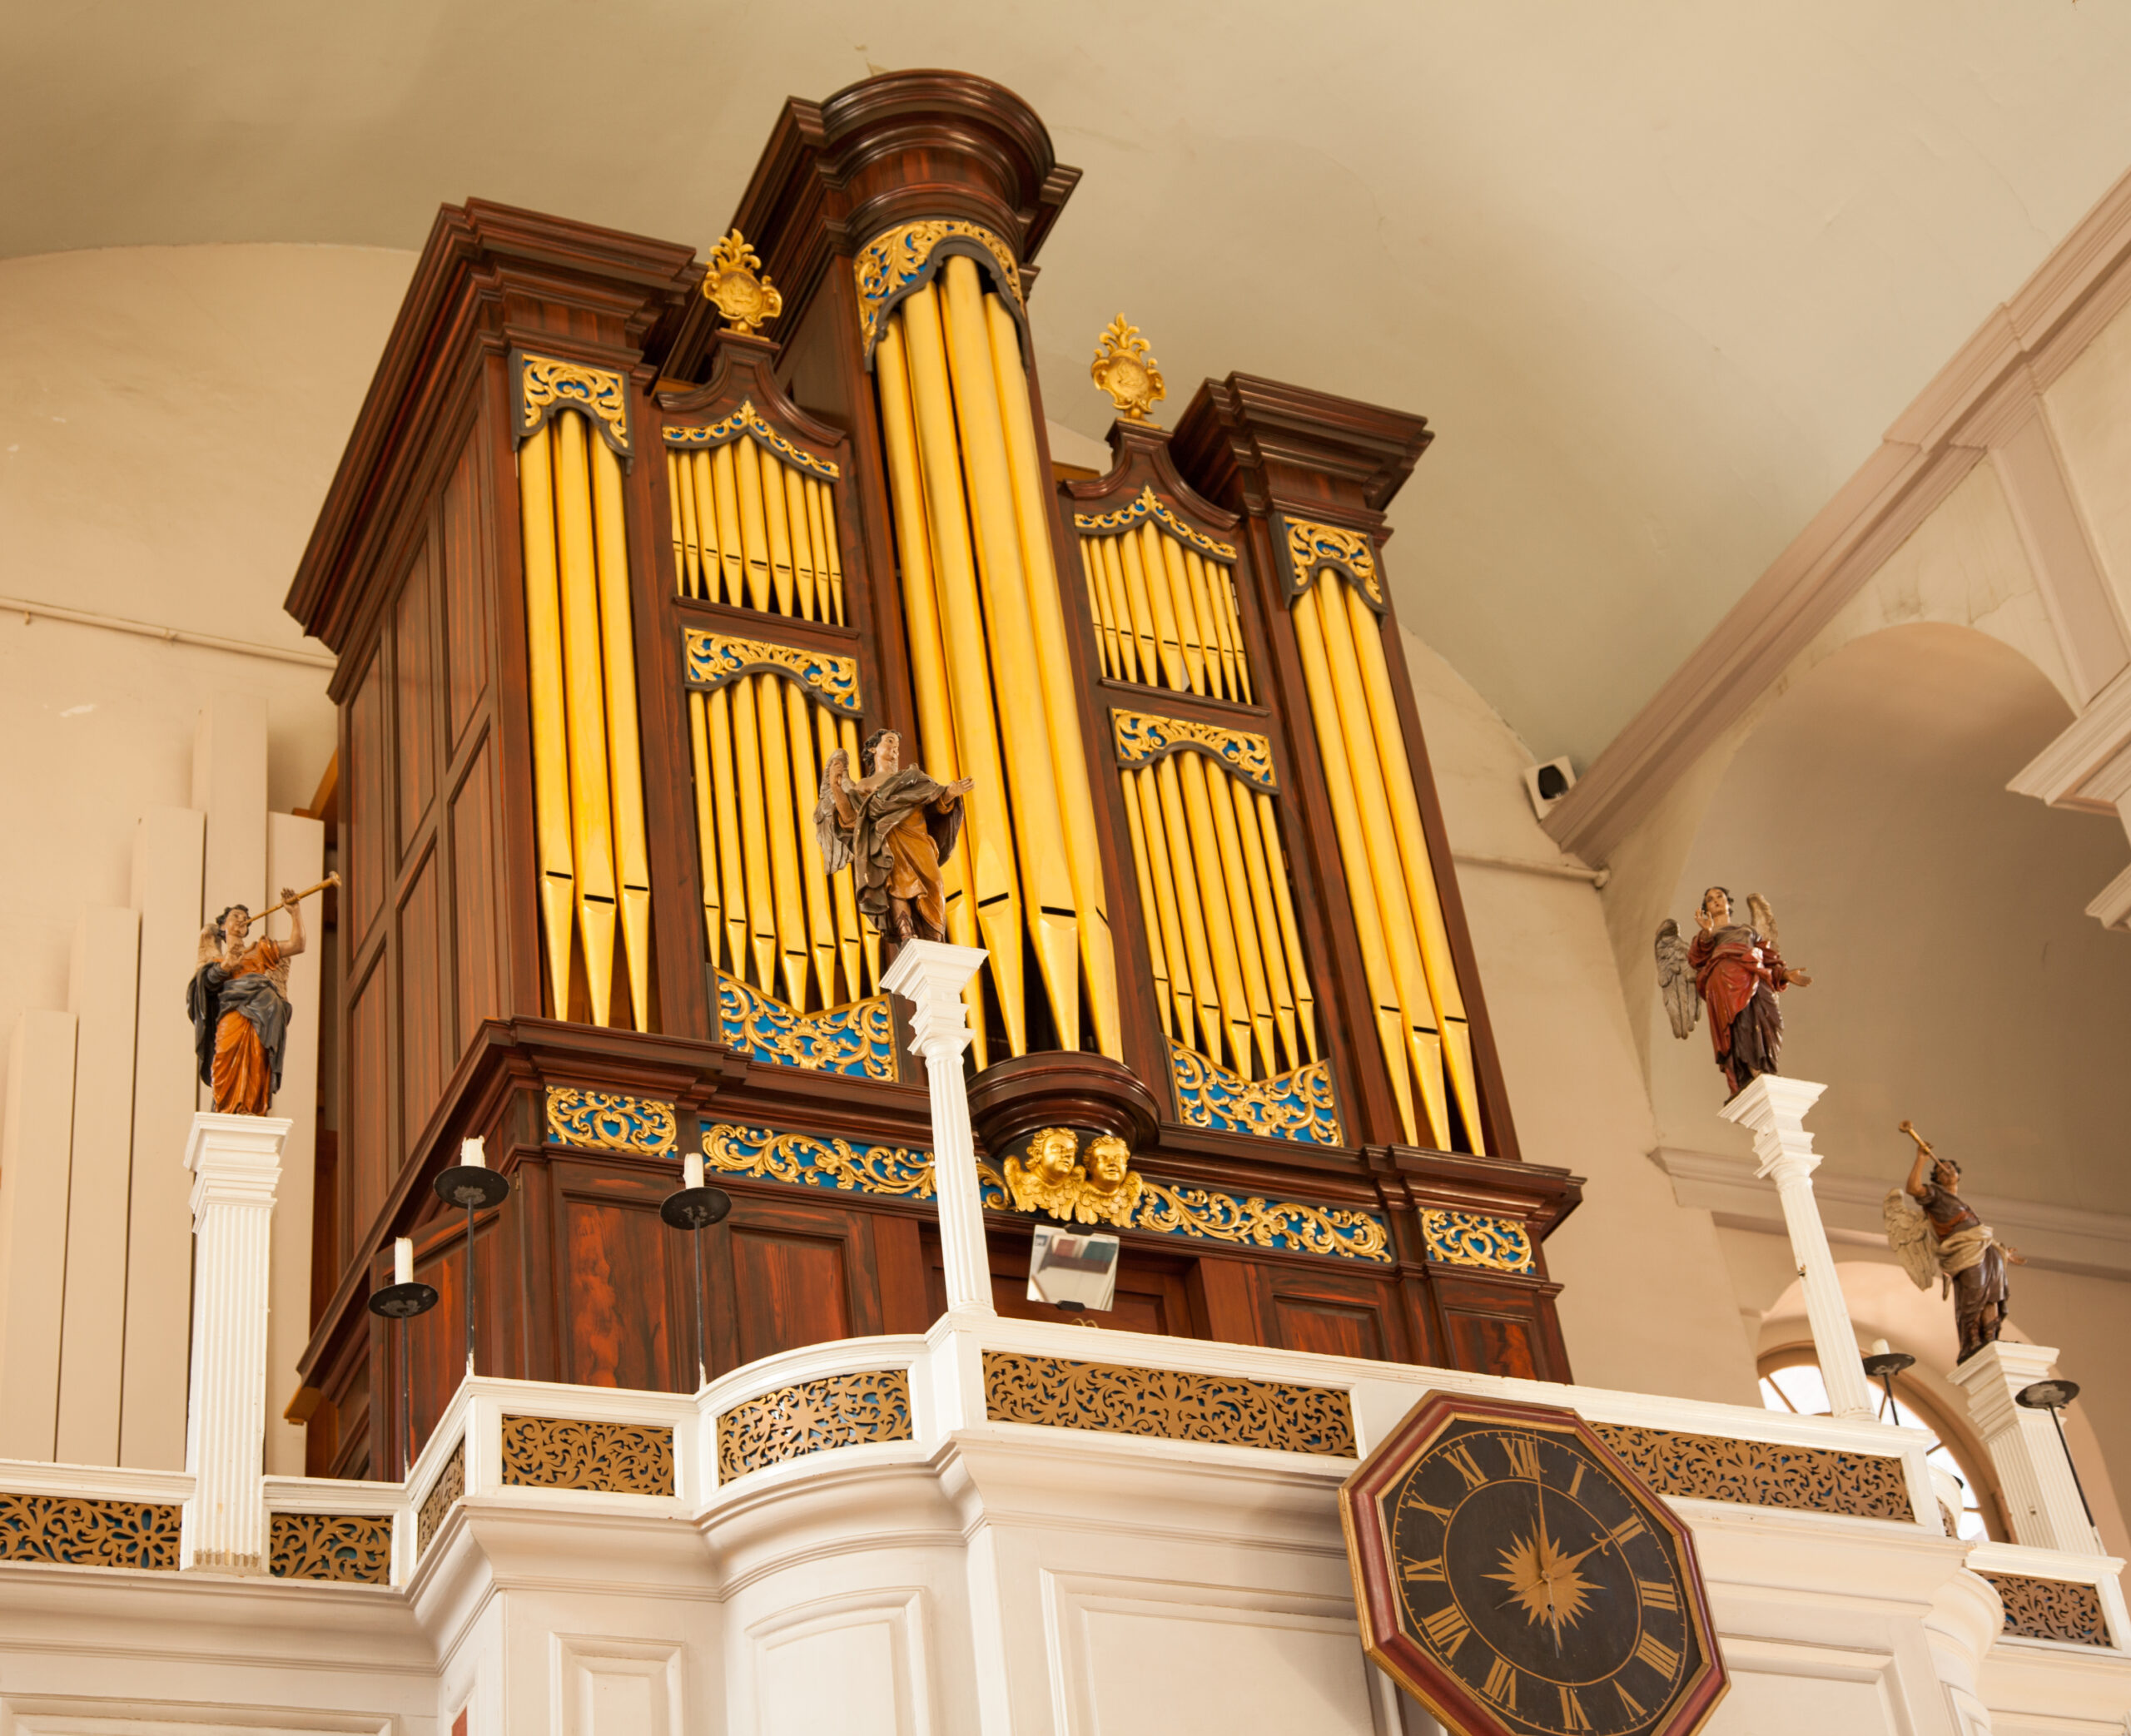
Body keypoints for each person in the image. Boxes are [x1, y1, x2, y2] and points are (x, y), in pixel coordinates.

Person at [814, 728, 972, 945]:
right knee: (895, 882)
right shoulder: (863, 787)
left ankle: (936, 938)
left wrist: (950, 794)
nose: (895, 748)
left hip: (918, 839)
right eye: (889, 742)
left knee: (935, 886)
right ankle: (905, 933)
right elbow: (851, 821)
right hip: (886, 840)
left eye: (897, 744)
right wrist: (835, 787)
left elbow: (935, 803)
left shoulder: (914, 778)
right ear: (873, 748)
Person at [186, 890, 306, 1115]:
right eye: (235, 916)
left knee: (256, 1060)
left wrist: (295, 912)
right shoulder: (217, 960)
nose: (241, 919)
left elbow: (297, 944)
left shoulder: (259, 951)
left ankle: (250, 1107)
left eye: (244, 917)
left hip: (261, 1017)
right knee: (225, 1058)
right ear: (223, 927)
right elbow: (202, 989)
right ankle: (225, 1107)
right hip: (231, 1016)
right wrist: (225, 967)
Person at [1686, 886, 1809, 1098]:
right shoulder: (1707, 935)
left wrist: (1786, 975)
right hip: (1725, 980)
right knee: (1740, 1023)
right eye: (1710, 900)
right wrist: (1706, 933)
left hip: (1755, 973)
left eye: (1719, 897)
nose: (1715, 901)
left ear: (1728, 902)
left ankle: (1766, 1066)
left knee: (1771, 1021)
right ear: (1705, 908)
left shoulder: (1748, 930)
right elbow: (1696, 959)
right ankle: (1753, 1071)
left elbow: (1768, 958)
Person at [1902, 1129, 2013, 1362]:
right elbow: (1913, 1189)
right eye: (1942, 1169)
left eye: (1951, 1168)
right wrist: (1921, 1159)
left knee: (1991, 1296)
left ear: (1957, 1176)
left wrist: (2002, 1251)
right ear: (1937, 1177)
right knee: (1974, 1295)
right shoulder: (1935, 1195)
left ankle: (1990, 1337)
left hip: (1985, 1249)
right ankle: (1972, 1341)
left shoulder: (1961, 1203)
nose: (1948, 1171)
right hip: (1963, 1252)